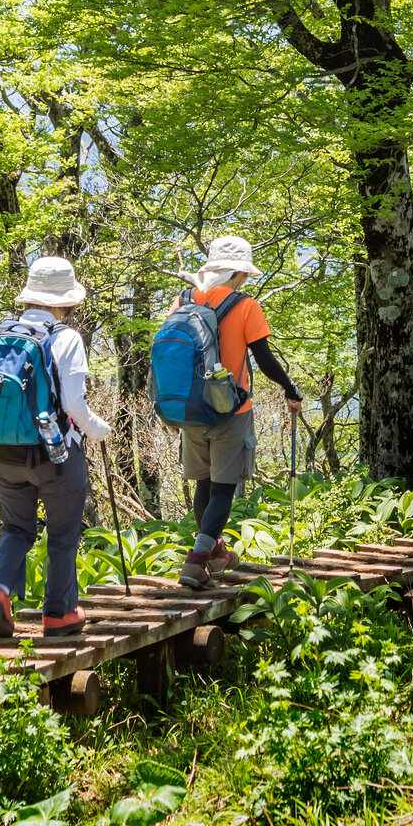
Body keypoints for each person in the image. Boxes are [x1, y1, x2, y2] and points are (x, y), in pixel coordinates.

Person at [0, 256, 112, 640]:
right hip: (55, 453)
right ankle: (60, 614)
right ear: (65, 299)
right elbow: (74, 405)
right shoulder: (66, 338)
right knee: (63, 532)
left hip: (5, 450)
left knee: (15, 528)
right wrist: (98, 429)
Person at [172, 236, 303, 587]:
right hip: (231, 408)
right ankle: (197, 560)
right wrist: (291, 390)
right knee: (223, 490)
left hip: (191, 407)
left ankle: (215, 552)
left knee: (203, 483)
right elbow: (264, 359)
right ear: (238, 273)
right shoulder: (245, 306)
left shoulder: (185, 299)